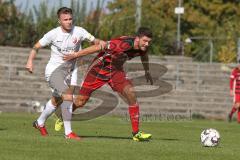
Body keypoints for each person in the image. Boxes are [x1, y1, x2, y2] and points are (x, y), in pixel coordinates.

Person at [61, 27, 153, 141]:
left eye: (149, 41)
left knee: (131, 94)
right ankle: (64, 116)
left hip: (115, 72)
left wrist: (147, 71)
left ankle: (136, 133)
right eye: (145, 41)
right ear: (137, 38)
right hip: (98, 70)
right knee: (81, 101)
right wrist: (75, 55)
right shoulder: (121, 44)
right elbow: (99, 46)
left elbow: (144, 56)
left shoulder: (143, 48)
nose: (147, 44)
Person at [25, 7, 104, 140]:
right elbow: (36, 47)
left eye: (70, 19)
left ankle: (39, 122)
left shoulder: (79, 31)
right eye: (65, 19)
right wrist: (29, 61)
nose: (68, 22)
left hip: (70, 72)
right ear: (59, 21)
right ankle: (68, 133)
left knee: (57, 100)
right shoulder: (53, 34)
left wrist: (99, 42)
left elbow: (95, 41)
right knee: (68, 96)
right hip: (53, 72)